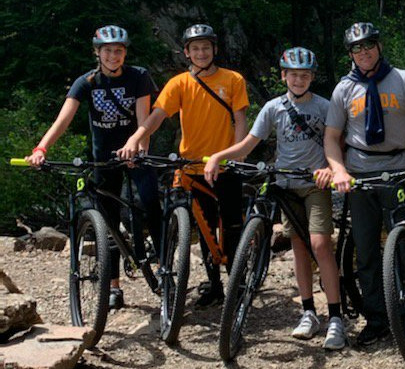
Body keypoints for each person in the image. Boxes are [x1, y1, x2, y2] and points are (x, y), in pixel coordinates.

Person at [324, 22, 405, 346]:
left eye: (369, 44)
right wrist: (339, 171)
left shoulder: (403, 79)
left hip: (399, 168)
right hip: (359, 175)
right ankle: (377, 319)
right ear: (350, 54)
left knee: (404, 248)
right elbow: (331, 138)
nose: (364, 51)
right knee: (366, 252)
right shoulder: (343, 89)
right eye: (357, 48)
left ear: (379, 46)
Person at [203, 47, 345, 349]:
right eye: (293, 75)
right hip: (285, 185)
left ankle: (335, 317)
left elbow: (337, 143)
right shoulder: (273, 108)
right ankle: (308, 312)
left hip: (314, 185)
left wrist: (332, 170)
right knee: (298, 247)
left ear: (312, 77)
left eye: (304, 75)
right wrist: (219, 157)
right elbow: (248, 144)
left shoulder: (325, 106)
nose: (298, 80)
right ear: (283, 76)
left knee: (320, 245)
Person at [27, 25, 163, 310]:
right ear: (97, 53)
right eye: (108, 51)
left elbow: (144, 120)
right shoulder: (86, 81)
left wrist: (137, 149)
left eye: (119, 51)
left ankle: (164, 266)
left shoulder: (138, 76)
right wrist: (41, 148)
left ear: (125, 52)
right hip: (103, 158)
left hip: (135, 151)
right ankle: (113, 286)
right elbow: (63, 119)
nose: (114, 56)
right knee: (109, 221)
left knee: (151, 202)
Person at [118, 24, 249, 307]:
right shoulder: (179, 83)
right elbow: (157, 116)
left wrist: (238, 155)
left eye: (206, 47)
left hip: (225, 164)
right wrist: (137, 137)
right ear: (187, 52)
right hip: (191, 165)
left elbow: (240, 120)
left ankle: (236, 282)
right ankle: (214, 284)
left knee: (232, 227)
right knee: (204, 225)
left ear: (215, 49)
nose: (201, 53)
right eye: (195, 48)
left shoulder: (233, 79)